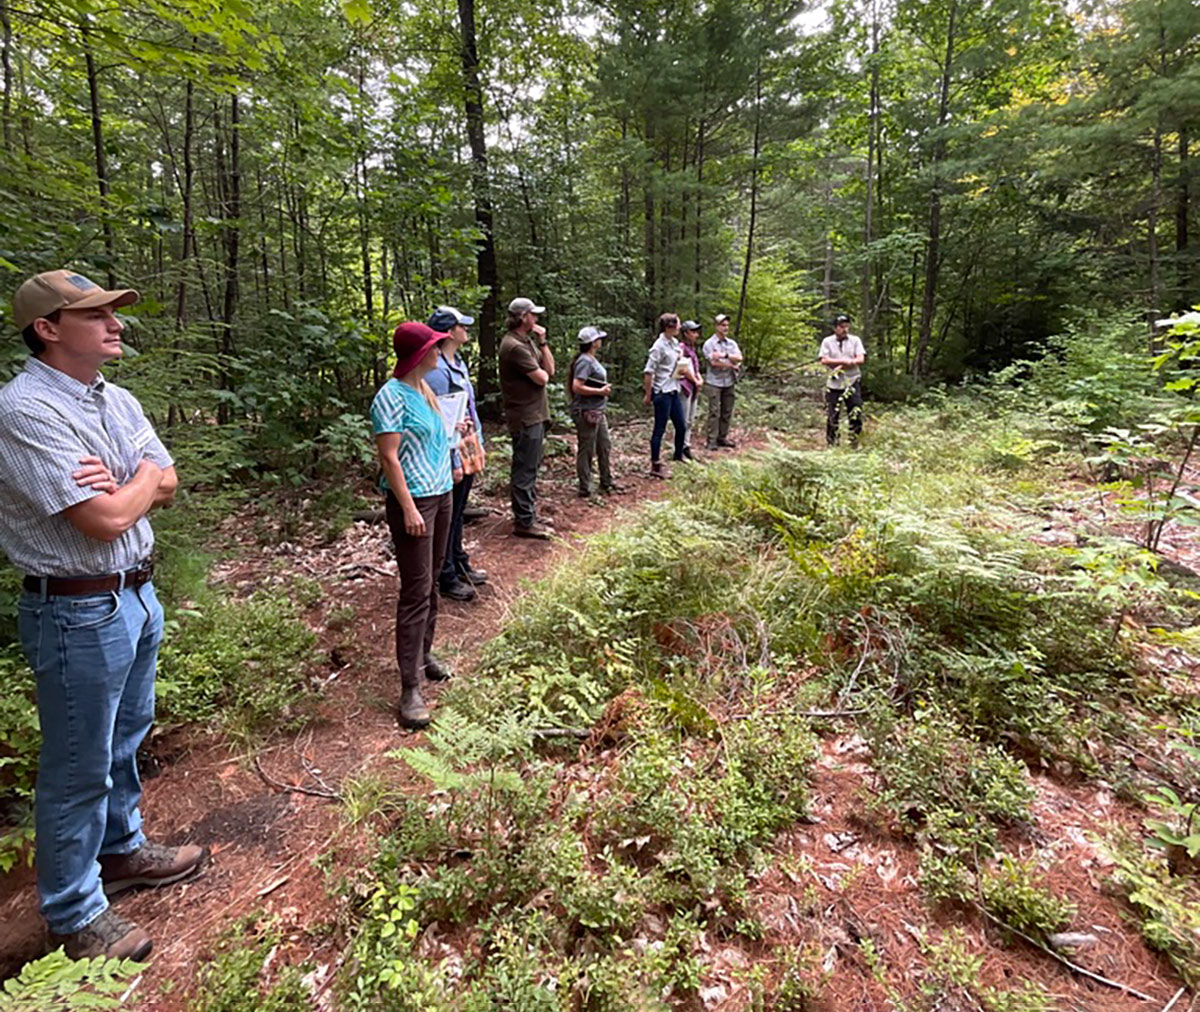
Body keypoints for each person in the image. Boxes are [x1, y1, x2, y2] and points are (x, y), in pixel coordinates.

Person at [0, 269, 207, 961]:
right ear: (48, 329)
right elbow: (107, 516)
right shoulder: (24, 411)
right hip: (76, 608)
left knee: (125, 738)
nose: (116, 323)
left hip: (134, 595)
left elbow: (169, 481)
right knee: (77, 763)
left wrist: (134, 478)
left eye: (114, 312)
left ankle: (119, 852)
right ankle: (72, 912)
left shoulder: (113, 399)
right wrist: (138, 477)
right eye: (95, 315)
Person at [371, 321, 455, 730]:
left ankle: (425, 654)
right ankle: (410, 688)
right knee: (416, 590)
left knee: (433, 580)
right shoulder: (390, 397)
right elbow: (389, 457)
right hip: (416, 501)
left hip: (441, 496)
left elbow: (432, 440)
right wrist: (408, 508)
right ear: (419, 355)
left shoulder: (425, 390)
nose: (441, 353)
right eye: (435, 348)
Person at [426, 306, 488, 603]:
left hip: (466, 444)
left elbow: (468, 408)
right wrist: (452, 461)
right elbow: (441, 418)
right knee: (449, 513)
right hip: (450, 450)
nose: (466, 330)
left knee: (460, 508)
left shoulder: (458, 361)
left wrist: (478, 443)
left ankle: (459, 560)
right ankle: (446, 574)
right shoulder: (436, 370)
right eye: (462, 326)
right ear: (449, 332)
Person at [498, 296, 555, 539]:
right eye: (533, 315)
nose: (537, 319)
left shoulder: (527, 342)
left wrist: (543, 343)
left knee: (531, 467)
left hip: (535, 415)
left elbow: (550, 370)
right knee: (524, 469)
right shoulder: (514, 346)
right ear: (523, 317)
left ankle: (528, 515)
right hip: (525, 417)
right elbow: (542, 378)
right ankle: (524, 522)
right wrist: (541, 368)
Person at [569, 325, 620, 497]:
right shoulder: (584, 360)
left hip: (597, 410)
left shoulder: (591, 359)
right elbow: (577, 386)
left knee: (604, 445)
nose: (601, 341)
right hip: (586, 412)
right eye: (598, 339)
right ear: (592, 343)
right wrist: (600, 391)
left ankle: (606, 481)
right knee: (587, 449)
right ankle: (585, 488)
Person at [642, 312, 689, 478]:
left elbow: (675, 363)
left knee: (681, 425)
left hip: (674, 388)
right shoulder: (658, 346)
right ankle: (655, 464)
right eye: (678, 324)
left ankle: (678, 455)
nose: (680, 327)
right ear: (669, 326)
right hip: (662, 392)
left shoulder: (674, 343)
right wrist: (649, 394)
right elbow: (649, 372)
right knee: (659, 429)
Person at [819, 313, 866, 446]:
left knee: (856, 411)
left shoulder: (855, 340)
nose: (844, 329)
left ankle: (854, 442)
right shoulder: (827, 341)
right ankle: (832, 444)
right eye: (841, 326)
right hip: (834, 383)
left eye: (846, 326)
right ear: (835, 328)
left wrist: (848, 363)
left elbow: (860, 358)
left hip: (852, 380)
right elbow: (824, 360)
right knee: (833, 415)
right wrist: (841, 361)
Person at [702, 313, 743, 450]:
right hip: (714, 381)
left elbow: (739, 358)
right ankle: (711, 441)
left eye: (727, 325)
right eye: (722, 325)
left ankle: (722, 437)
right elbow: (713, 362)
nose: (725, 328)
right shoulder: (709, 344)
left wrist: (725, 356)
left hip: (729, 381)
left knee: (727, 410)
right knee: (714, 411)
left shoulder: (731, 343)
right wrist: (731, 364)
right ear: (716, 326)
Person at [677, 321, 705, 460]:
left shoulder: (693, 349)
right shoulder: (681, 347)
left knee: (690, 419)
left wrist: (699, 379)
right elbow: (683, 368)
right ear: (686, 333)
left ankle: (686, 445)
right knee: (683, 419)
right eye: (693, 332)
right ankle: (679, 448)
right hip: (685, 386)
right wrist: (695, 380)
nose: (696, 334)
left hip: (693, 387)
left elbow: (696, 367)